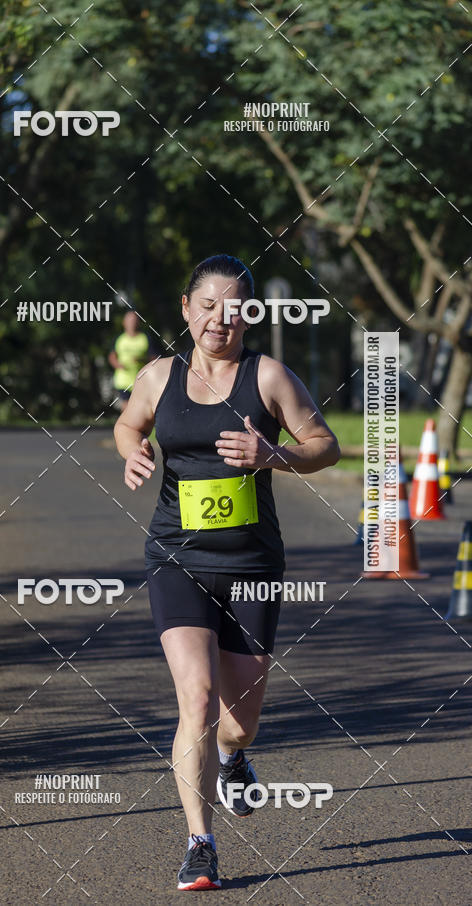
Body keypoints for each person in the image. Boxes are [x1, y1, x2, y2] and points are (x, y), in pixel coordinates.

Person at [113, 254, 340, 891]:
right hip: (176, 558)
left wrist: (274, 454)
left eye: (234, 308)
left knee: (239, 722)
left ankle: (233, 756)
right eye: (208, 305)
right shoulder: (159, 376)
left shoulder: (268, 376)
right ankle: (200, 843)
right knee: (197, 698)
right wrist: (134, 450)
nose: (220, 318)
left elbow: (325, 445)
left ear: (250, 315)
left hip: (252, 565)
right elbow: (128, 423)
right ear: (186, 309)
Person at [108, 310, 155, 410]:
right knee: (126, 406)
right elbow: (112, 356)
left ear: (138, 322)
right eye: (129, 321)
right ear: (124, 323)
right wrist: (117, 364)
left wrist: (142, 360)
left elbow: (155, 358)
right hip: (123, 380)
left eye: (134, 321)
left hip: (141, 380)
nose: (131, 323)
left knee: (141, 408)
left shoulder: (145, 338)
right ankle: (125, 420)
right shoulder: (119, 339)